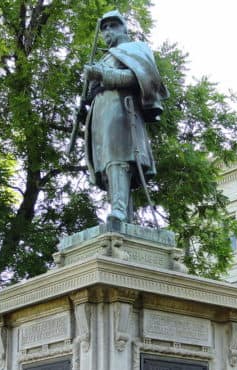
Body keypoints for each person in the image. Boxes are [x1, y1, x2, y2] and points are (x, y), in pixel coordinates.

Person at [83, 10, 168, 224]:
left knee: (117, 159)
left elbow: (142, 79)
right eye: (104, 28)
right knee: (105, 166)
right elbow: (93, 92)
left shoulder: (135, 49)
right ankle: (123, 215)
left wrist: (103, 75)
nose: (108, 31)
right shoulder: (105, 57)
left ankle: (119, 211)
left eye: (113, 25)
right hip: (101, 113)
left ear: (124, 28)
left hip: (121, 110)